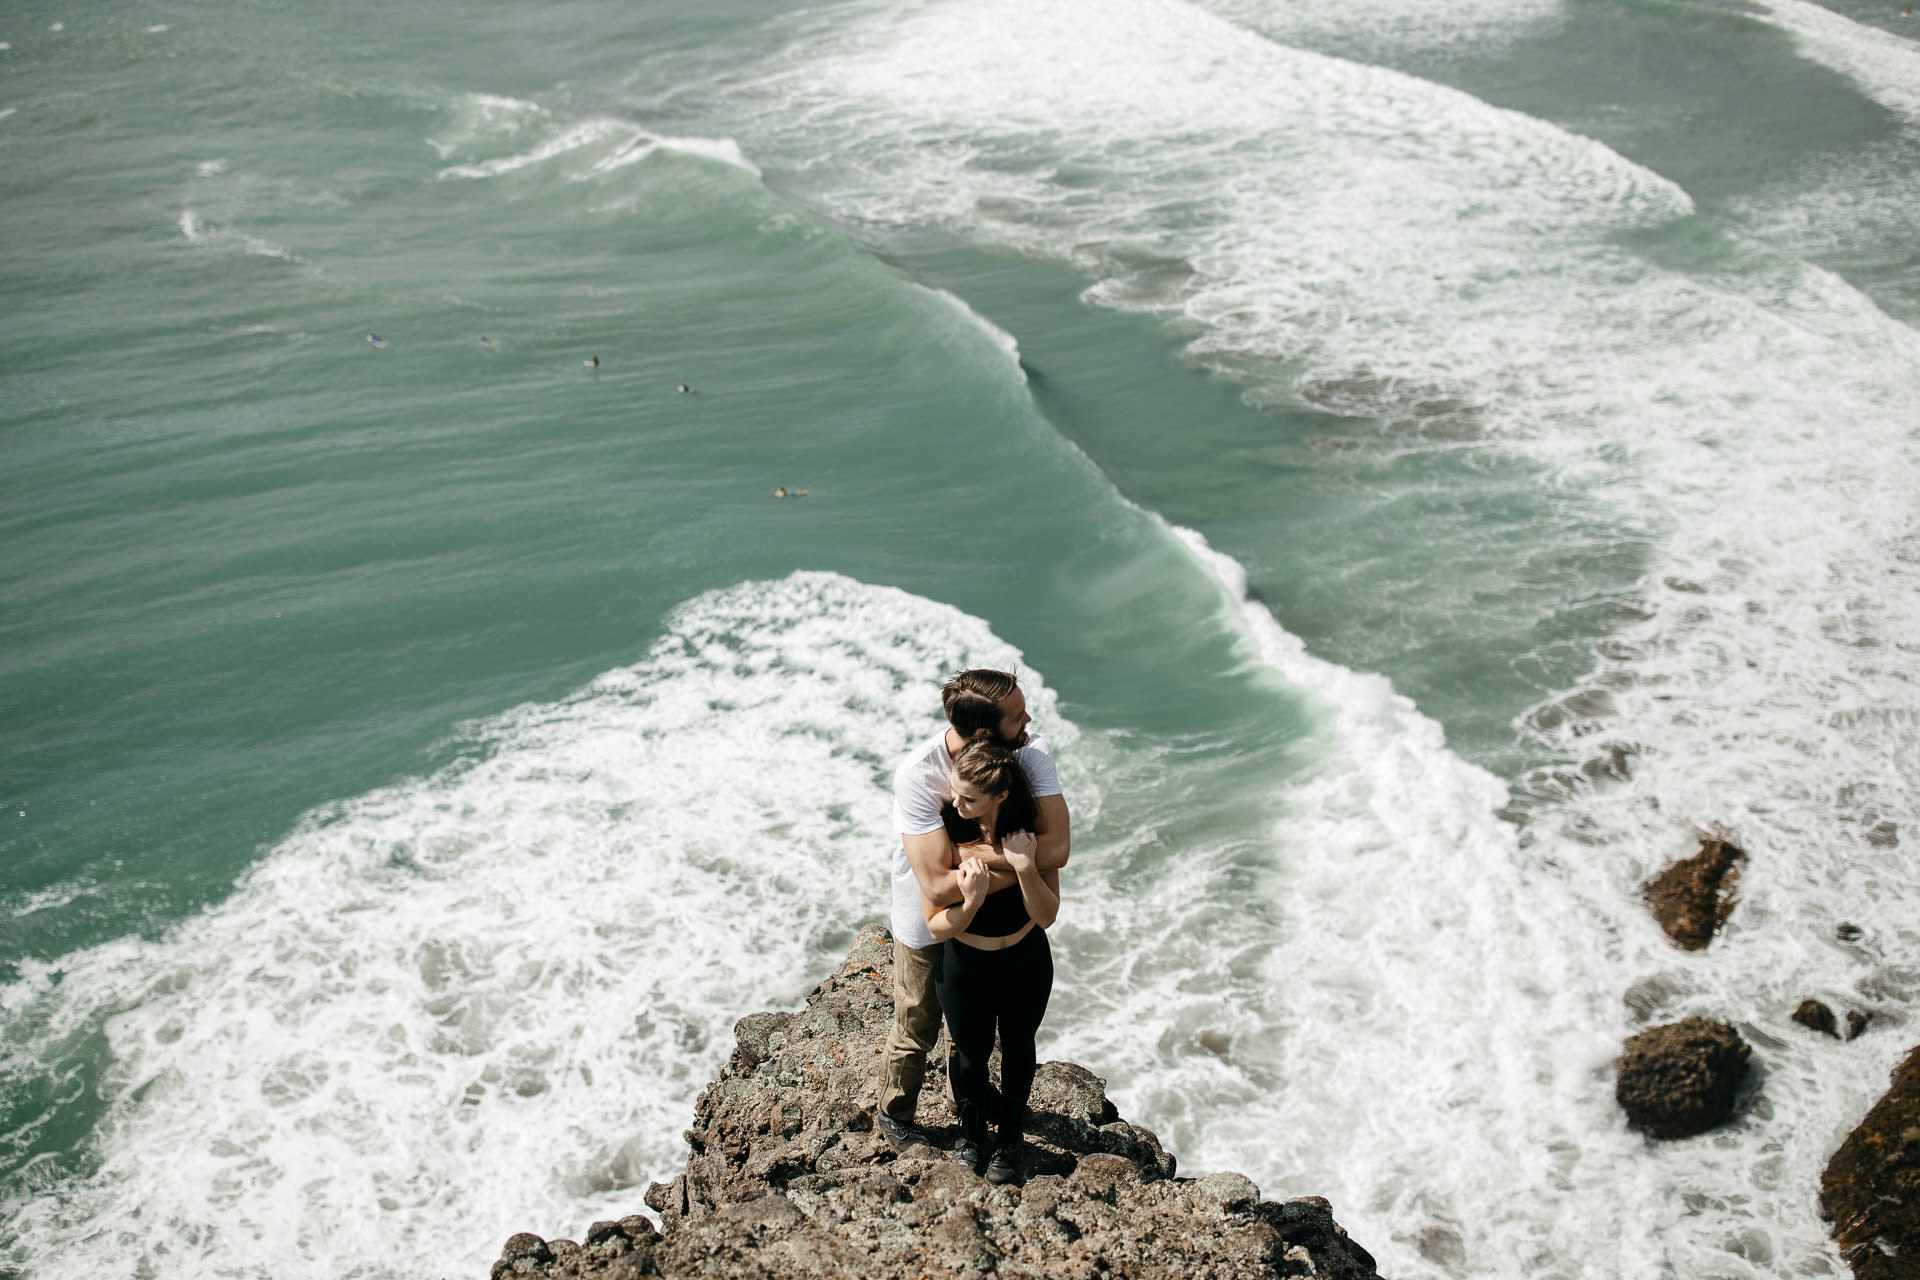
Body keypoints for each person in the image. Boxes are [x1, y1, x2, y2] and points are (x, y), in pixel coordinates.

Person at [878, 669, 1070, 1152]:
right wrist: (1020, 860)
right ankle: (894, 1111)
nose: (1029, 719)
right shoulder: (920, 775)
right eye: (1017, 714)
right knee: (918, 1021)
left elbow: (1058, 849)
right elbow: (940, 886)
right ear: (985, 733)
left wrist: (980, 862)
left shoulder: (1031, 751)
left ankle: (971, 1106)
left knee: (967, 1031)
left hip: (990, 915)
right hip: (927, 920)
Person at [924, 739, 1059, 1182]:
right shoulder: (946, 826)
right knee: (970, 1054)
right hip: (965, 966)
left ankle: (1010, 1137)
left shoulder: (1027, 831)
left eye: (969, 798)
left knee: (1019, 1049)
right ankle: (970, 1135)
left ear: (1001, 796)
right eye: (955, 792)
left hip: (1025, 961)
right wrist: (971, 903)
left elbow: (1046, 915)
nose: (956, 803)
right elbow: (936, 926)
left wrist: (1023, 867)